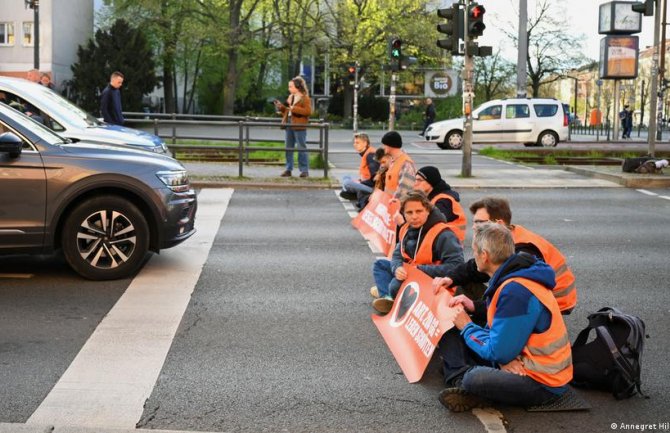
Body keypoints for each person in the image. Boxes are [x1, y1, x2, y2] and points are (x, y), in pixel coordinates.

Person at [436, 222, 573, 412]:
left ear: (485, 255)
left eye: (474, 251)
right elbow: (500, 331)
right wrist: (473, 309)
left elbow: (499, 348)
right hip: (517, 356)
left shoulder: (516, 291)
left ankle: (465, 380)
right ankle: (464, 378)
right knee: (450, 325)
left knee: (475, 378)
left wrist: (467, 326)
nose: (473, 256)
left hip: (541, 381)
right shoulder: (512, 275)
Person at [433, 197, 577, 314]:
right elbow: (477, 267)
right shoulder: (506, 236)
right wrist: (450, 278)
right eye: (474, 222)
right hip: (536, 296)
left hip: (554, 302)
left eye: (479, 222)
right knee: (466, 281)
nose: (474, 227)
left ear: (499, 223)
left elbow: (512, 298)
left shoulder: (522, 251)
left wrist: (475, 307)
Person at [370, 191, 464, 314]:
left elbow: (457, 266)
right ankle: (389, 299)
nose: (414, 216)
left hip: (433, 279)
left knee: (394, 286)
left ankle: (389, 295)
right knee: (380, 265)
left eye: (419, 211)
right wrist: (397, 268)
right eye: (409, 213)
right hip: (411, 272)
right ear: (403, 214)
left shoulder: (443, 234)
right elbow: (397, 254)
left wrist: (418, 270)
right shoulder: (405, 228)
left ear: (428, 211)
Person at [412, 166, 467, 243]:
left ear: (431, 182)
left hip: (448, 244)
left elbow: (432, 222)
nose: (415, 184)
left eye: (419, 180)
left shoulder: (443, 201)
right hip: (443, 241)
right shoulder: (431, 197)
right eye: (415, 180)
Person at [274, 76, 312, 178]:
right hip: (289, 124)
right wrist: (281, 107)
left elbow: (308, 112)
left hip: (299, 126)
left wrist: (293, 108)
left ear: (298, 87)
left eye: (291, 86)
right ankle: (288, 169)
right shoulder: (291, 97)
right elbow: (287, 110)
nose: (289, 88)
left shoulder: (305, 98)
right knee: (288, 148)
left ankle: (304, 170)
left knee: (301, 148)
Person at [340, 133, 379, 209]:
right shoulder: (367, 153)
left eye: (357, 142)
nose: (355, 144)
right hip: (367, 184)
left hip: (373, 188)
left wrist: (361, 182)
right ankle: (356, 192)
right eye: (354, 142)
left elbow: (375, 178)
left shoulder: (370, 155)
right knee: (346, 177)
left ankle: (354, 193)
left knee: (347, 183)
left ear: (365, 143)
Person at [381, 131, 415, 200]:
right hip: (389, 203)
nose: (383, 147)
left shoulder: (406, 163)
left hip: (397, 206)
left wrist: (392, 203)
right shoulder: (393, 161)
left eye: (384, 144)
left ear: (390, 145)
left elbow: (404, 191)